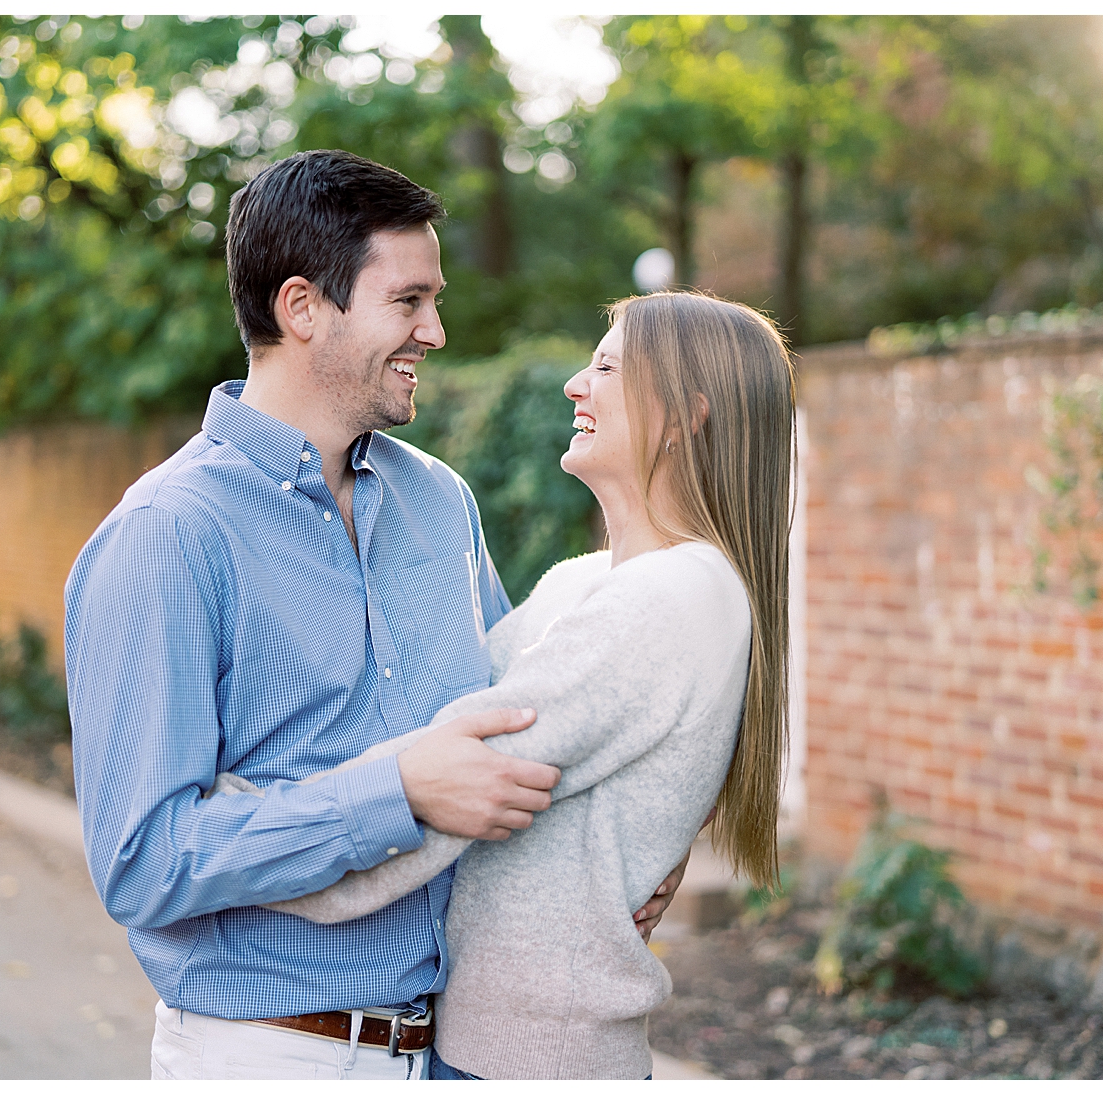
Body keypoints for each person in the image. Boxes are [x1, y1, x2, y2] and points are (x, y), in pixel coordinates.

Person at [63, 149, 687, 1082]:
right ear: (303, 307)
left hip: (453, 1052)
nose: (435, 330)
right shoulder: (167, 534)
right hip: (270, 1057)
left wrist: (619, 860)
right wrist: (395, 792)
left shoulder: (439, 502)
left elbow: (513, 733)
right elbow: (145, 859)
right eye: (409, 301)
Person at [214, 290, 796, 1080]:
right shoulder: (580, 583)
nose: (575, 384)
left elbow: (443, 789)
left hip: (536, 1058)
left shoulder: (672, 598)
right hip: (479, 1042)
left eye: (607, 365)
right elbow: (434, 731)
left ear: (683, 415)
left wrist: (238, 837)